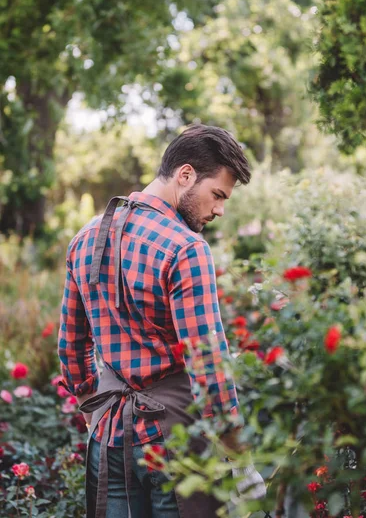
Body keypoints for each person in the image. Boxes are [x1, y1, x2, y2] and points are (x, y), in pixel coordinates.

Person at [58, 124, 266, 518]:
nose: (219, 210)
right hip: (174, 440)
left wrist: (93, 416)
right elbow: (208, 362)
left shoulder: (83, 239)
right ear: (185, 175)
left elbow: (71, 349)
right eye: (217, 194)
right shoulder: (186, 247)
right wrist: (239, 458)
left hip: (109, 438)